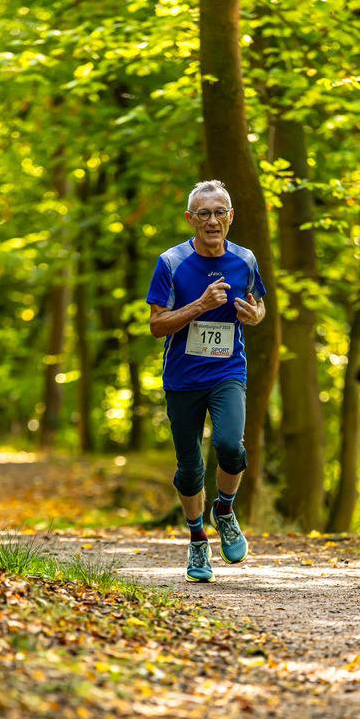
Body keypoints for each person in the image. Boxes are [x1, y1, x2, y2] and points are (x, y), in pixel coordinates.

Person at [147, 179, 266, 582]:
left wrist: (255, 315)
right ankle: (198, 541)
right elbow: (157, 325)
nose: (212, 220)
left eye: (220, 212)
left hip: (227, 370)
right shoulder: (171, 262)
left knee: (231, 445)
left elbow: (258, 303)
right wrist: (200, 304)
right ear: (190, 219)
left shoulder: (245, 260)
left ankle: (226, 510)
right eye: (204, 213)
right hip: (183, 377)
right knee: (189, 468)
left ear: (231, 216)